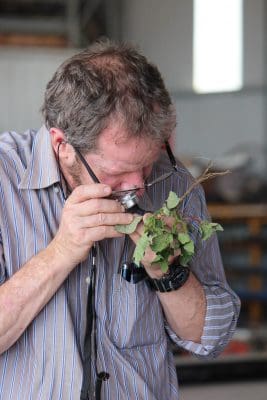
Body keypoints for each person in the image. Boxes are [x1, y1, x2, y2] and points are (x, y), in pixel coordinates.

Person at [0, 39, 240, 400]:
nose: (140, 187)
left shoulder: (173, 184)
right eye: (118, 171)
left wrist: (169, 273)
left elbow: (211, 339)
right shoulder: (5, 180)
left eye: (147, 164)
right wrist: (61, 252)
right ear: (62, 145)